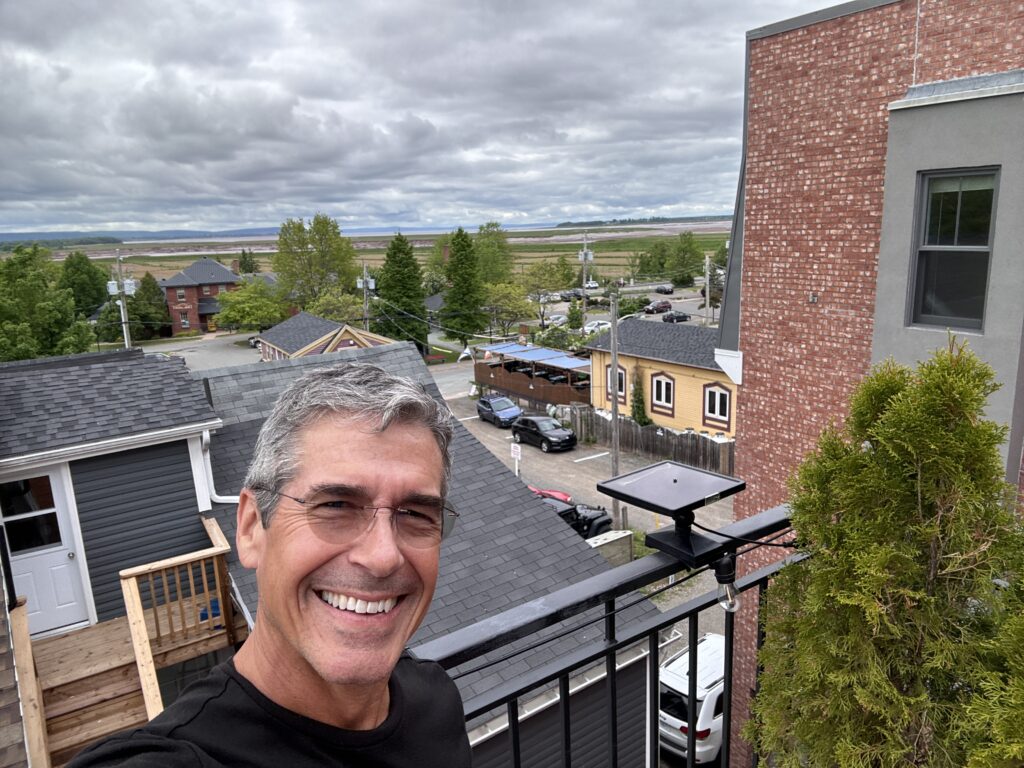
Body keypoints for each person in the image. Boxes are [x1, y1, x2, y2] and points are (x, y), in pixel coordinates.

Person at [71, 363, 472, 767]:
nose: (383, 556)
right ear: (250, 529)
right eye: (335, 505)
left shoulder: (435, 699)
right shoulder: (184, 758)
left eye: (416, 514)